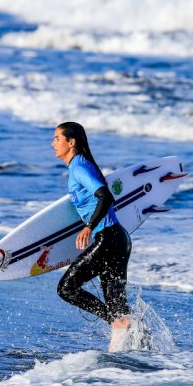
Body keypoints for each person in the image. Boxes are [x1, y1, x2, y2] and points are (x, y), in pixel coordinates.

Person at [52, 122, 132, 346]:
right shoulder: (80, 166)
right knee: (119, 307)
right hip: (119, 239)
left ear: (71, 142)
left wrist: (89, 226)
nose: (53, 144)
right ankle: (143, 349)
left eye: (57, 138)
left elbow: (106, 196)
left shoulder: (79, 167)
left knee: (66, 289)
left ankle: (114, 323)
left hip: (107, 239)